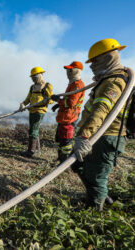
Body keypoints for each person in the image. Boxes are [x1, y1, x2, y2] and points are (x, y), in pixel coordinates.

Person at [72, 38, 130, 211]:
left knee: (97, 176)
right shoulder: (109, 78)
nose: (91, 66)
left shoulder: (113, 81)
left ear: (107, 57)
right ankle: (99, 196)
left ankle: (94, 211)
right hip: (100, 135)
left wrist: (84, 136)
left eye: (94, 61)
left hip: (106, 137)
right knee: (80, 166)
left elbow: (101, 110)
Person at [51, 61, 85, 162]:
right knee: (60, 139)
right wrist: (58, 104)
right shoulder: (73, 84)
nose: (68, 73)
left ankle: (63, 163)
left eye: (70, 70)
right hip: (65, 116)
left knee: (65, 141)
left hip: (69, 118)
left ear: (75, 71)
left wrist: (58, 100)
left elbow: (71, 103)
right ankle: (60, 158)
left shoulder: (77, 85)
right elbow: (69, 101)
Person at [19, 67, 54, 157]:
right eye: (32, 77)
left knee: (33, 130)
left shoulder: (47, 86)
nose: (33, 79)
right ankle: (35, 149)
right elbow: (28, 99)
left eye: (34, 77)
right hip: (32, 110)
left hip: (40, 111)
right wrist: (23, 104)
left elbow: (52, 99)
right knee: (33, 129)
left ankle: (30, 152)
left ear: (40, 75)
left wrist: (46, 101)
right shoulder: (32, 87)